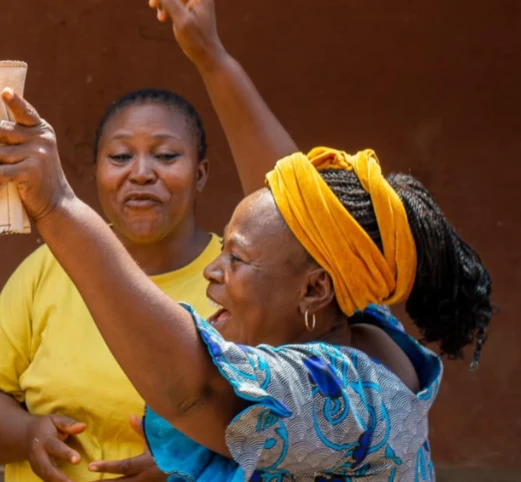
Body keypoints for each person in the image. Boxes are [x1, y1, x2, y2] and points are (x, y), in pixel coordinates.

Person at [0, 0, 493, 479]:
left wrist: (57, 205)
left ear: (314, 289)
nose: (213, 268)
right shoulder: (352, 314)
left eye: (235, 259)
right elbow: (293, 222)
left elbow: (197, 392)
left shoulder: (342, 399)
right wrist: (209, 55)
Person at [0, 88, 222, 481]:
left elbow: (277, 423)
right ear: (96, 172)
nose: (141, 173)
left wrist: (192, 462)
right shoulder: (48, 268)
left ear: (200, 174)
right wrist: (29, 434)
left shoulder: (234, 279)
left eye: (165, 156)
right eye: (120, 157)